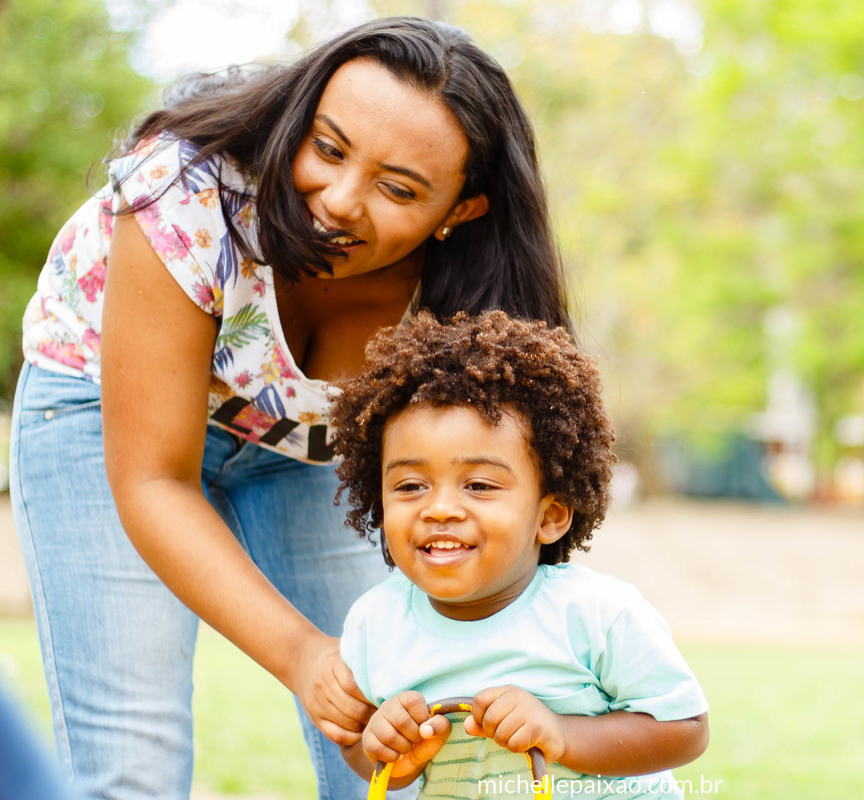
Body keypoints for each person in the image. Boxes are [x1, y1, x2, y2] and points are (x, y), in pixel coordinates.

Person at [10, 16, 570, 800]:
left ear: (462, 209)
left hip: (304, 452)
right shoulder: (186, 192)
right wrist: (304, 654)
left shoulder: (466, 304)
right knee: (131, 769)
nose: (338, 202)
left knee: (408, 750)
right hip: (100, 411)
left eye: (399, 189)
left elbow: (498, 497)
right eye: (329, 148)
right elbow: (152, 481)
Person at [331, 310, 710, 799]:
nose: (440, 508)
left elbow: (686, 727)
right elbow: (363, 751)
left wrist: (561, 733)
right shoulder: (375, 623)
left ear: (549, 516)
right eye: (410, 485)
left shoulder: (596, 615)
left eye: (480, 485)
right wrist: (386, 746)